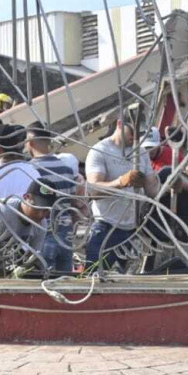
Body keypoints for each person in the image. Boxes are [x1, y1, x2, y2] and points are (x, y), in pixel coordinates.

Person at [85, 117, 160, 271]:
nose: (136, 138)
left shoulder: (140, 152)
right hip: (106, 228)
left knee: (128, 284)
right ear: (119, 124)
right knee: (94, 279)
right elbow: (93, 191)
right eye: (132, 132)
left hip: (132, 229)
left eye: (140, 134)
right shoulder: (100, 151)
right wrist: (121, 182)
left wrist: (167, 183)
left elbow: (152, 191)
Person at [24, 122, 83, 273]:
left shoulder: (30, 169)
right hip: (66, 236)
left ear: (30, 143)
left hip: (43, 235)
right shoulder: (67, 169)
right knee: (66, 282)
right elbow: (74, 204)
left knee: (44, 284)